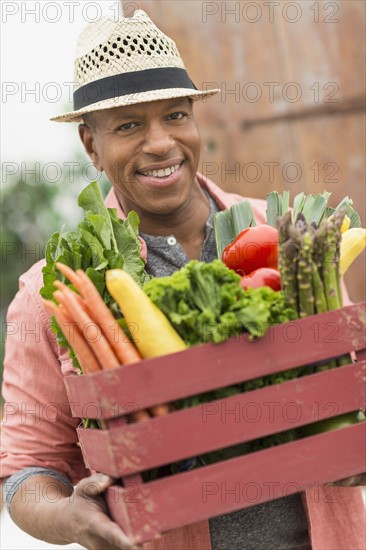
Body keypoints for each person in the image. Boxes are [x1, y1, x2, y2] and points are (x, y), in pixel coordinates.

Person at [1, 10, 365, 550]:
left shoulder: (289, 236)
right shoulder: (55, 292)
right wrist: (70, 517)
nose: (160, 143)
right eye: (128, 125)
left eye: (175, 115)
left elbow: (348, 375)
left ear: (195, 120)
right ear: (90, 146)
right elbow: (26, 470)